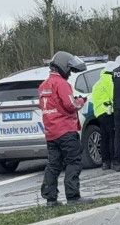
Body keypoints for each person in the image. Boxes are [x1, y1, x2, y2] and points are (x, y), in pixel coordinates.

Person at [38, 51, 89, 206]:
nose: (69, 73)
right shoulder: (61, 83)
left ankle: (50, 198)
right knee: (73, 161)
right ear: (63, 67)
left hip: (51, 132)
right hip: (66, 130)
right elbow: (70, 105)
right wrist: (80, 101)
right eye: (69, 70)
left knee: (53, 164)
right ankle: (73, 196)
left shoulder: (44, 85)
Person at [89, 61, 116, 170]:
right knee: (112, 137)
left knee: (104, 137)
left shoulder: (97, 83)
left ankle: (105, 162)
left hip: (99, 113)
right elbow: (113, 95)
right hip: (108, 112)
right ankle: (114, 160)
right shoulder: (109, 81)